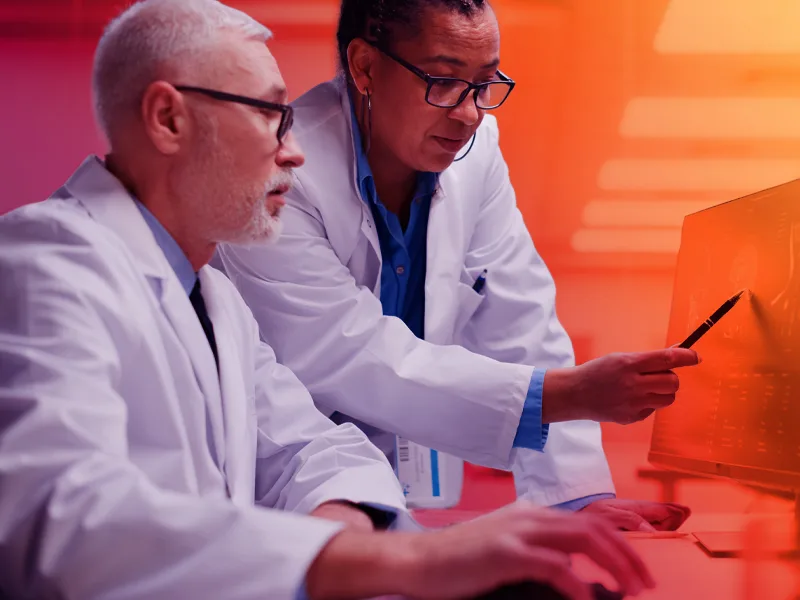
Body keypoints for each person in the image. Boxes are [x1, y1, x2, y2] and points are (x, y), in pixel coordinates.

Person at [0, 1, 656, 599]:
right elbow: (54, 523)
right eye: (268, 116)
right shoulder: (45, 262)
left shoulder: (215, 301)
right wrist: (398, 563)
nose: (294, 153)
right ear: (169, 119)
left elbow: (313, 448)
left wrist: (343, 534)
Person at [217, 0, 698, 529]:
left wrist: (576, 496)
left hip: (408, 483)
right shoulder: (284, 167)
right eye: (443, 81)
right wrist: (568, 394)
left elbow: (521, 318)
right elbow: (340, 349)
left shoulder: (475, 155)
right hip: (290, 484)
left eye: (484, 85)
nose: (469, 113)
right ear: (365, 67)